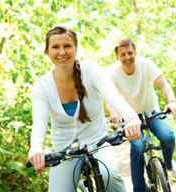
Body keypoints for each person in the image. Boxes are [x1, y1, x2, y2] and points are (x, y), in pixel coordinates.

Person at [27, 26, 142, 192]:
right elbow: (40, 121)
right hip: (63, 150)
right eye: (55, 47)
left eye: (67, 46)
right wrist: (36, 148)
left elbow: (113, 96)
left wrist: (131, 118)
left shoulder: (92, 71)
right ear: (47, 51)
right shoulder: (42, 85)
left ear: (75, 48)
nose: (62, 52)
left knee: (110, 177)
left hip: (98, 141)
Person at [104, 39, 176, 192]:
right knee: (138, 147)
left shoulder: (146, 64)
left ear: (136, 53)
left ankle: (169, 164)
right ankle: (139, 189)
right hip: (130, 116)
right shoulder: (112, 72)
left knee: (168, 137)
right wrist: (113, 113)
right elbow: (107, 99)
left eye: (130, 53)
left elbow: (164, 85)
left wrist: (172, 100)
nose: (127, 57)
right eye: (123, 55)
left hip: (150, 110)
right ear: (117, 57)